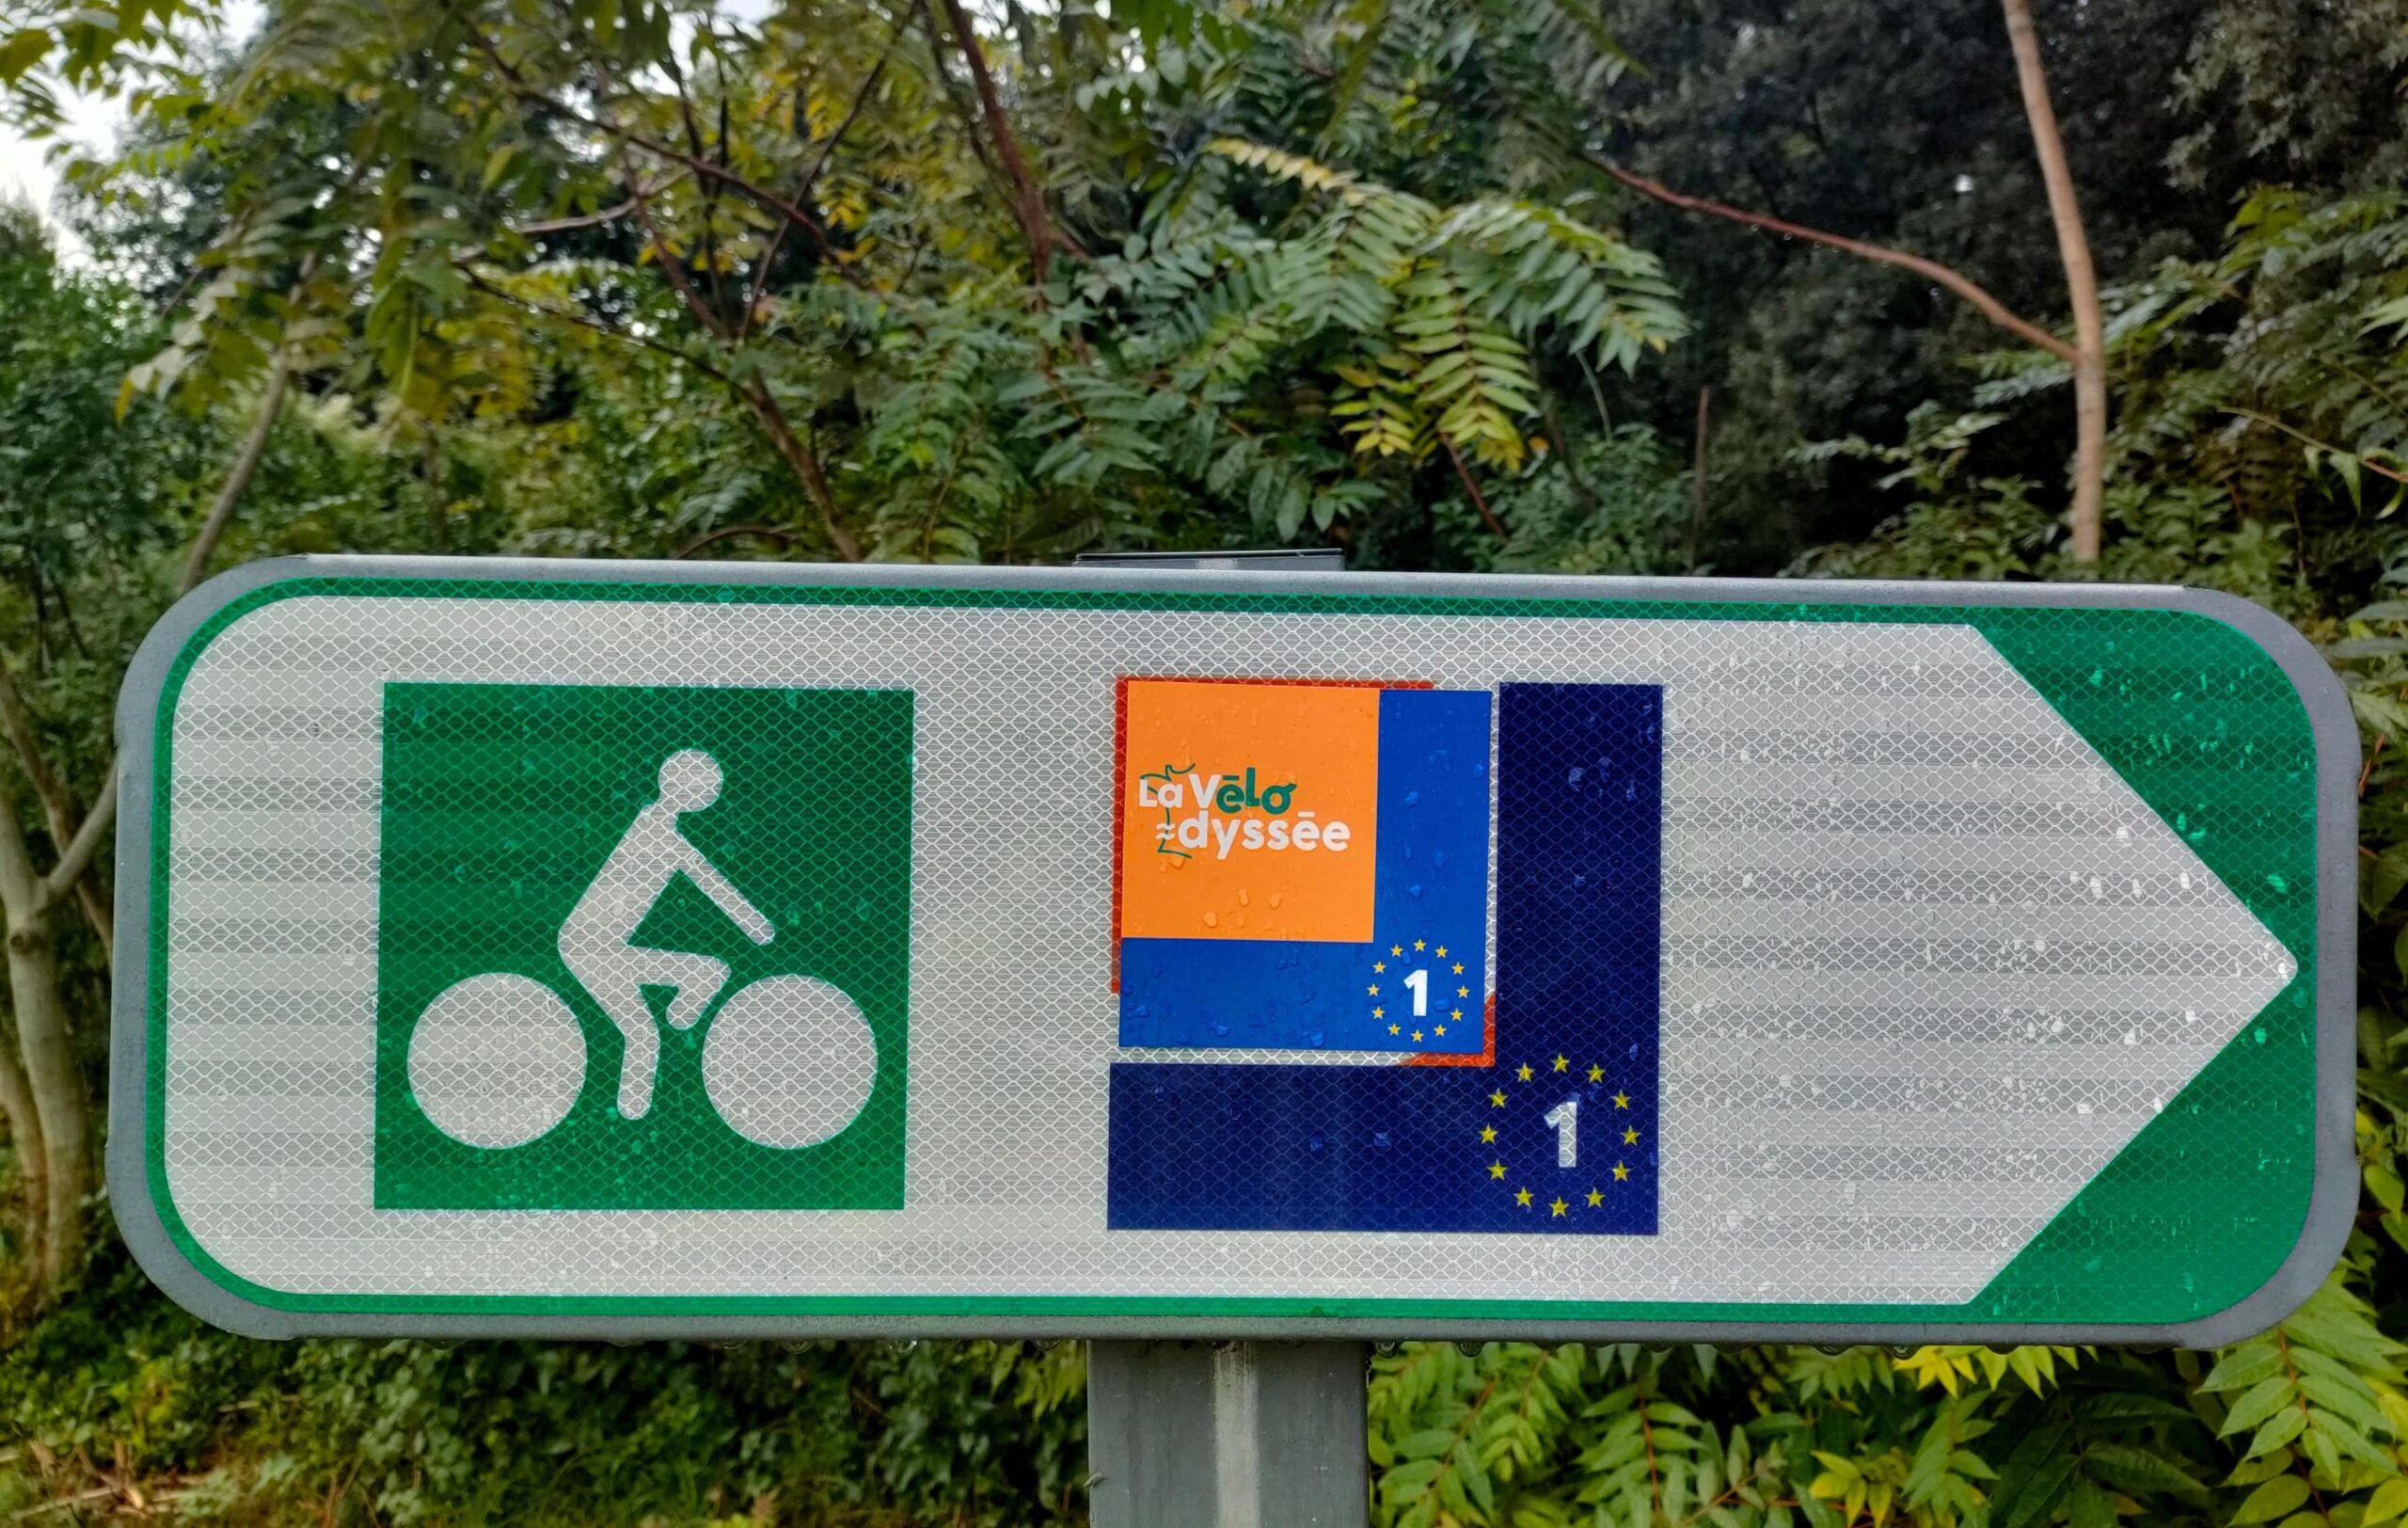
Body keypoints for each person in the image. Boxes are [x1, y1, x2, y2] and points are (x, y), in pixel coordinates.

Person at [559, 749, 775, 1119]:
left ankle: (676, 1026)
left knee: (659, 1021)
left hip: (600, 948)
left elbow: (712, 882)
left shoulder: (659, 830)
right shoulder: (658, 834)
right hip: (589, 947)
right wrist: (758, 928)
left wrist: (757, 927)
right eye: (704, 788)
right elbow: (713, 884)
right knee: (652, 1028)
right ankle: (635, 1107)